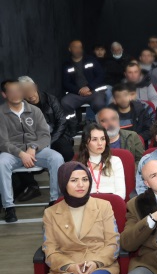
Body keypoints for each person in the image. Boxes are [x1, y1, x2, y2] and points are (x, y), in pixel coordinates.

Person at [0, 79, 65, 222]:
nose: (16, 94)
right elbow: (2, 142)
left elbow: (45, 135)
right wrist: (21, 153)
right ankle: (8, 206)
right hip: (12, 153)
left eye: (18, 90)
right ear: (4, 94)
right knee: (1, 162)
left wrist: (33, 147)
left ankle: (55, 200)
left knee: (57, 158)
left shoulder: (34, 110)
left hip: (36, 151)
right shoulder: (1, 113)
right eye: (11, 91)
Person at [19, 76, 74, 162]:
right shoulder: (21, 106)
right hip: (36, 138)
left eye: (30, 89)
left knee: (67, 152)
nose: (29, 94)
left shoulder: (50, 99)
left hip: (55, 134)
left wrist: (50, 140)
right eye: (25, 92)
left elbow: (61, 121)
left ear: (35, 87)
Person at [77, 123, 126, 199]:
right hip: (88, 203)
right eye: (94, 139)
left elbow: (121, 194)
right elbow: (77, 195)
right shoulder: (78, 165)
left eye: (102, 139)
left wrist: (104, 204)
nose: (100, 143)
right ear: (86, 143)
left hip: (111, 203)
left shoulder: (115, 161)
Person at [61, 40, 107, 114]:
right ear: (70, 49)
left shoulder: (91, 60)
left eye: (80, 47)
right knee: (65, 102)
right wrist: (79, 91)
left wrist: (89, 87)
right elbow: (66, 83)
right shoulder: (67, 65)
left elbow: (100, 75)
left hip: (94, 92)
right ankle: (73, 121)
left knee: (99, 104)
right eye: (75, 47)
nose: (78, 50)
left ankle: (100, 121)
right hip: (77, 94)